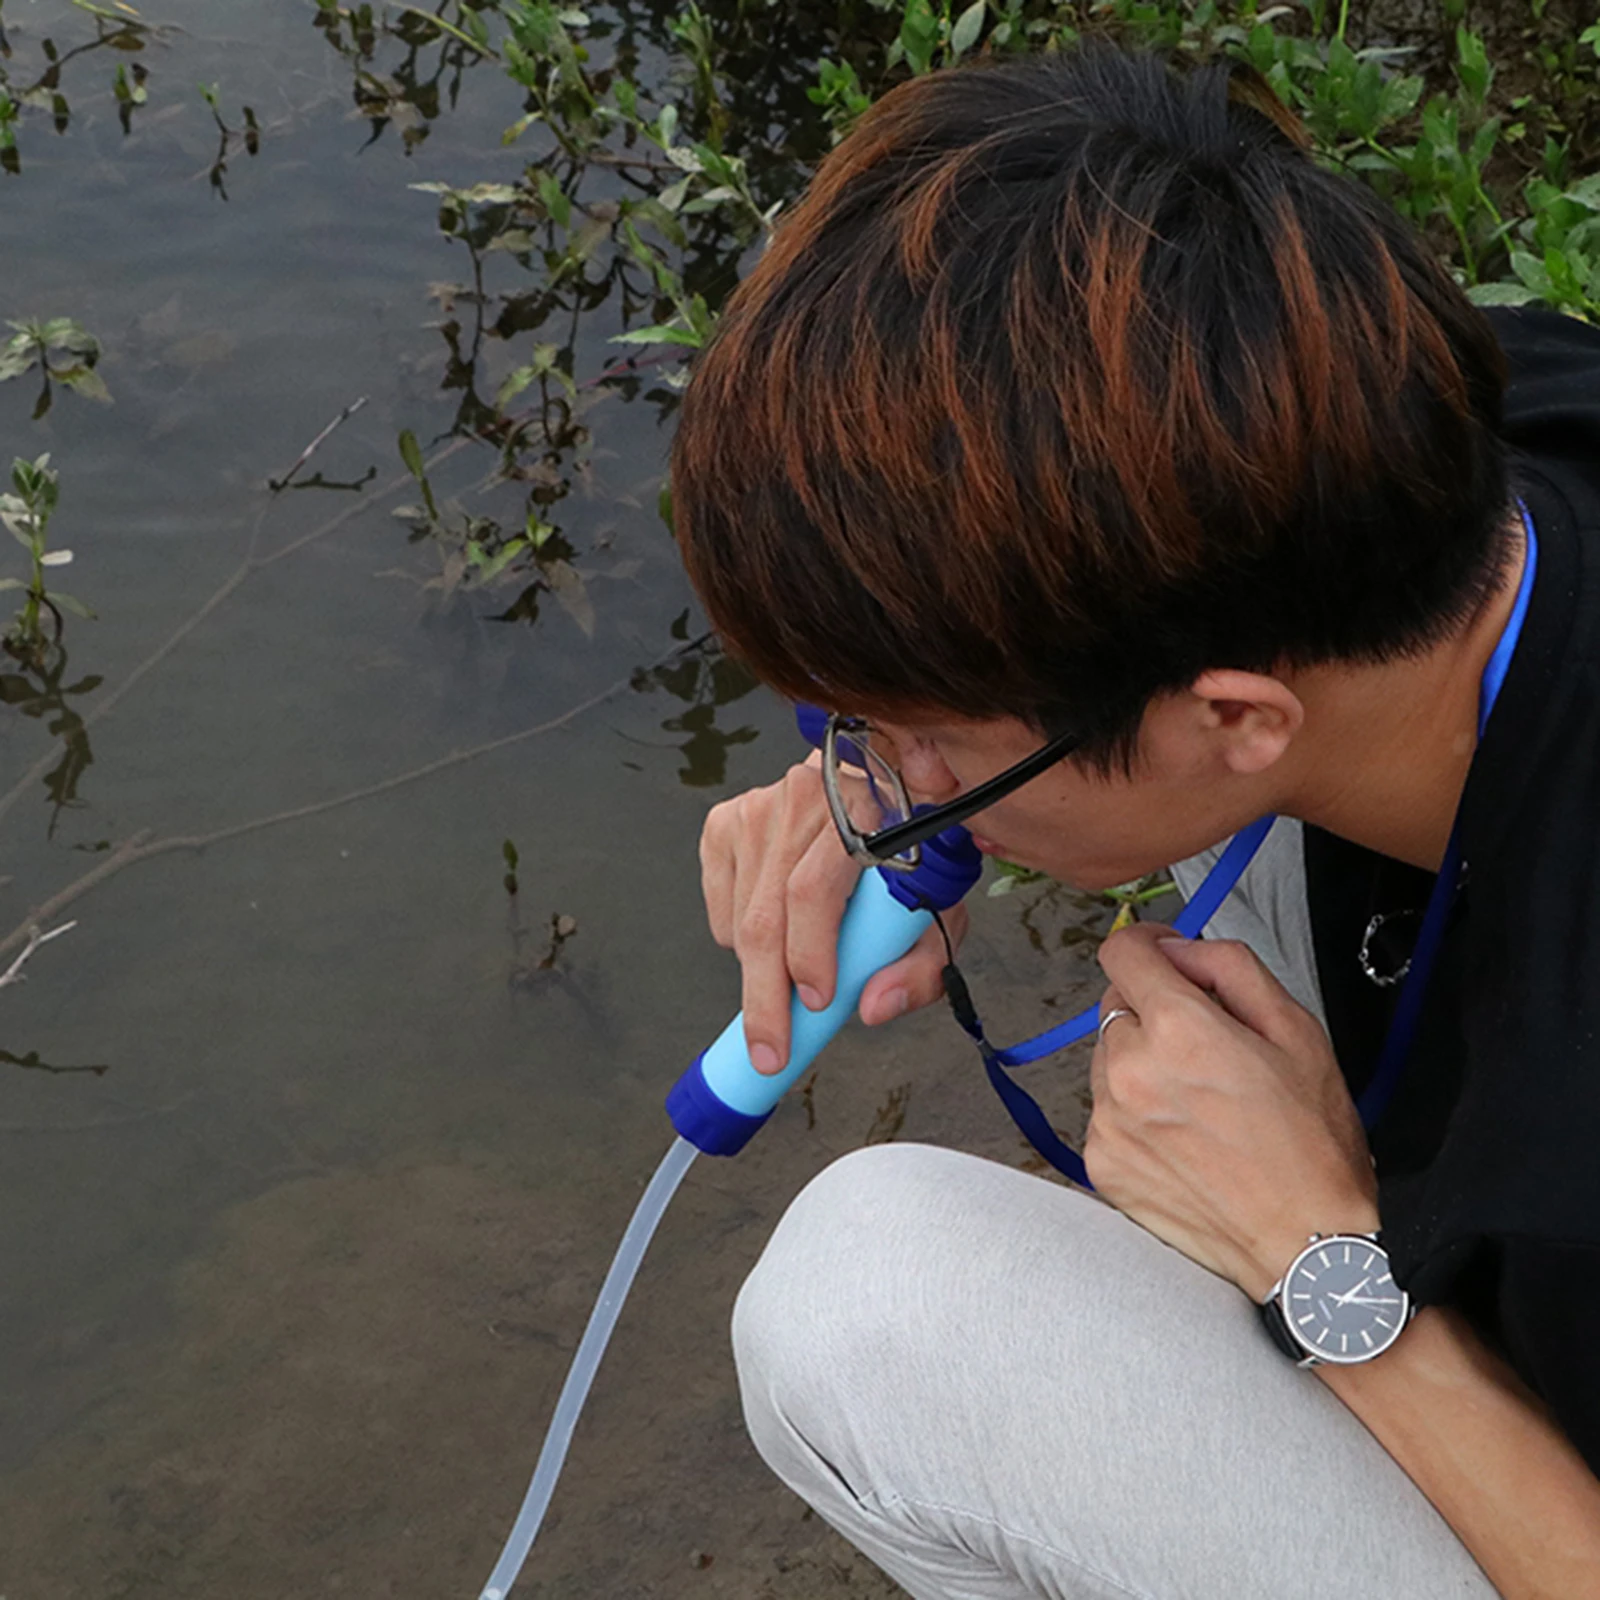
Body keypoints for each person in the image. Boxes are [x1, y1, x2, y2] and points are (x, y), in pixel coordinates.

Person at [669, 43, 1600, 1600]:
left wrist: (1323, 1265)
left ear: (1237, 720)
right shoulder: (1442, 418)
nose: (873, 782)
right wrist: (894, 757)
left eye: (917, 740)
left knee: (866, 1303)